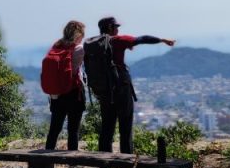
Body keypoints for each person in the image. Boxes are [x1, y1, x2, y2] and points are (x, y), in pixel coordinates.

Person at [93, 16, 174, 154]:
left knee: (107, 125)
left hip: (104, 90)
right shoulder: (117, 40)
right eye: (116, 27)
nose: (118, 29)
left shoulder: (93, 44)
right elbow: (141, 39)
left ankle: (104, 162)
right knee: (125, 125)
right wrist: (162, 40)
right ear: (110, 28)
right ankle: (127, 161)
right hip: (120, 87)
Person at [44, 20, 86, 150]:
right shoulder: (79, 49)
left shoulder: (56, 46)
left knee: (54, 129)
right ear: (78, 35)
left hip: (57, 94)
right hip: (74, 92)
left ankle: (46, 159)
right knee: (73, 130)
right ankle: (72, 161)